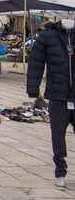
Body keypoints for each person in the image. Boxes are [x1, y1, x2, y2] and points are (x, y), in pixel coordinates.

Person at [27, 19, 75, 187]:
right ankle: (60, 171)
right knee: (57, 136)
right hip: (57, 95)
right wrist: (33, 90)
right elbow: (35, 62)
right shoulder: (47, 35)